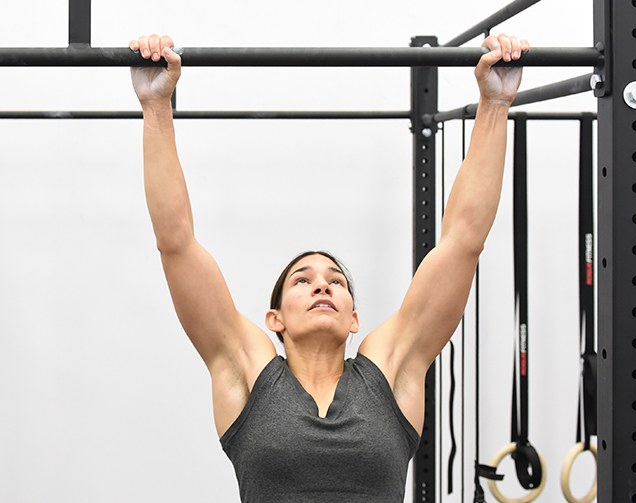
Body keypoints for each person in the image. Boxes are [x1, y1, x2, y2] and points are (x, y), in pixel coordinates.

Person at [129, 33, 529, 503]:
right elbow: (176, 243)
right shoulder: (247, 371)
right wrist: (156, 107)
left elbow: (463, 241)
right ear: (274, 319)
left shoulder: (389, 371)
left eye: (336, 282)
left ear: (354, 317)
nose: (322, 286)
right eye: (303, 281)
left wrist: (495, 104)